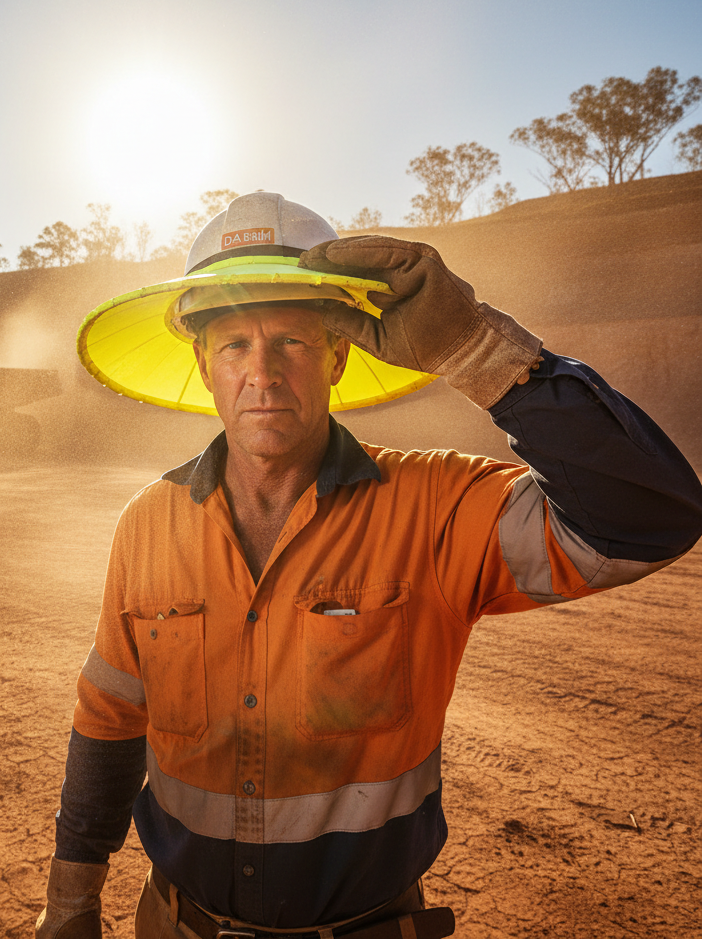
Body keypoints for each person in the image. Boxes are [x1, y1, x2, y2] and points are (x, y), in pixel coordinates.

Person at [37, 193, 702, 939]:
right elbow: (110, 719)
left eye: (291, 340)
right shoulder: (146, 524)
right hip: (174, 924)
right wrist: (70, 902)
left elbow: (646, 521)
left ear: (337, 354)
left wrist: (475, 349)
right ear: (202, 363)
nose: (263, 374)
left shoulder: (433, 506)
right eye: (234, 346)